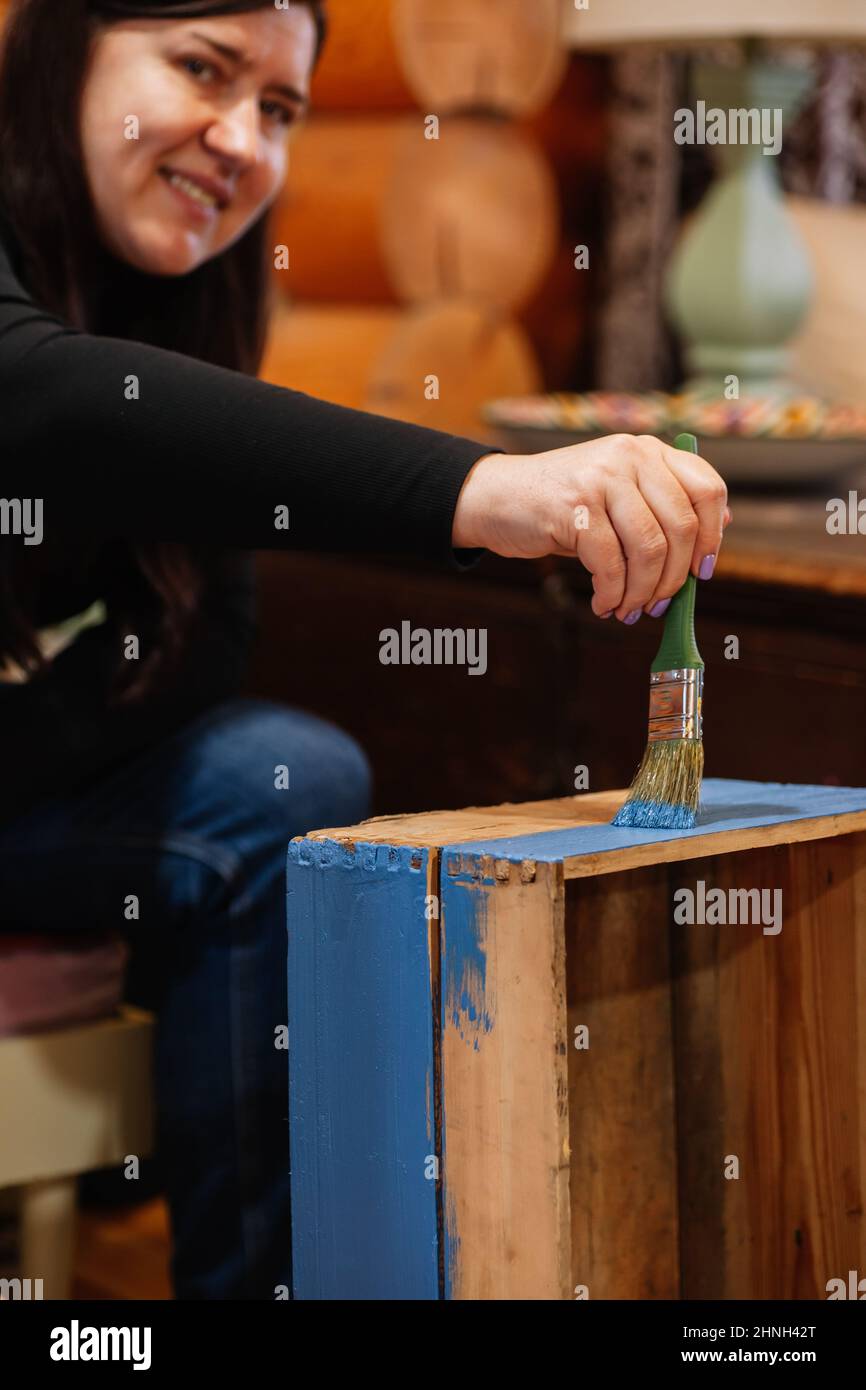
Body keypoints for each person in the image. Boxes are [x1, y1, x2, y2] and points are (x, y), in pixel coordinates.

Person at [0, 0, 730, 1298]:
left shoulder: (187, 294)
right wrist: (492, 492)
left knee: (282, 767)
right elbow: (44, 400)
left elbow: (206, 641)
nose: (239, 138)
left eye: (279, 110)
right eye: (201, 69)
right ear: (64, 48)